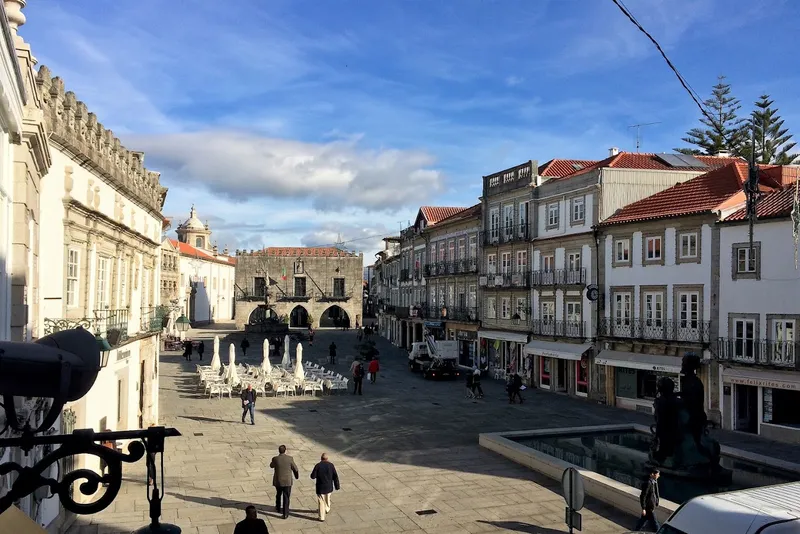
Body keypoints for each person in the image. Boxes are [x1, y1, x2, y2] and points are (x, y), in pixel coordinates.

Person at [270, 445, 299, 519]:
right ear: (285, 450)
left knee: (278, 494)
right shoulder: (290, 459)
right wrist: (296, 476)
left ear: (279, 451)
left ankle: (278, 507)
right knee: (286, 497)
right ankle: (285, 513)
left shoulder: (275, 459)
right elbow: (295, 469)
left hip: (278, 481)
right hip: (287, 481)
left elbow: (271, 466)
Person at [310, 453, 340, 522]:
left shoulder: (318, 466)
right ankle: (327, 509)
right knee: (327, 498)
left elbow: (313, 476)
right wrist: (337, 486)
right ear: (327, 459)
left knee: (321, 502)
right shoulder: (331, 465)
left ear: (321, 458)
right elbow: (335, 476)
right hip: (329, 486)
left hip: (320, 487)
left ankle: (322, 517)